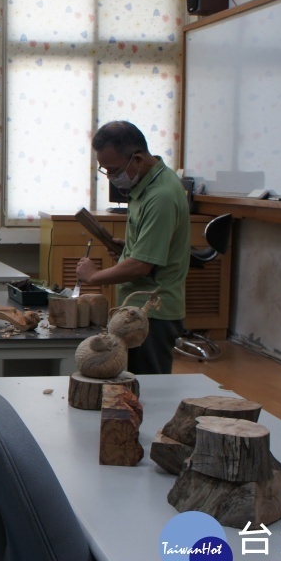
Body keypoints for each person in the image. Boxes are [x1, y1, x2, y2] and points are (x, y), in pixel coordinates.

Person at [76, 120, 190, 374]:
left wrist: (93, 276)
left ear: (137, 159)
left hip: (154, 312)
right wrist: (130, 247)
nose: (112, 177)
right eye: (105, 170)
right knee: (131, 385)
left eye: (114, 170)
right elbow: (152, 249)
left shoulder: (161, 196)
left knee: (148, 389)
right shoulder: (147, 185)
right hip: (137, 307)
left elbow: (140, 265)